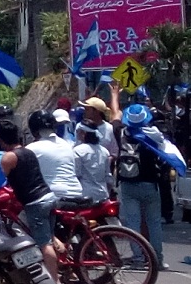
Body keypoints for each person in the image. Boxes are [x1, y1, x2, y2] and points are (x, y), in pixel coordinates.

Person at [0, 118, 62, 281]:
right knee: (48, 237)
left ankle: (56, 283)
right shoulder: (28, 151)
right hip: (48, 196)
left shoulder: (9, 157)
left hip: (35, 203)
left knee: (41, 242)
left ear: (1, 140)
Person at [116, 104, 173, 256]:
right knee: (154, 222)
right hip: (150, 183)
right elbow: (164, 149)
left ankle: (138, 257)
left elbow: (115, 118)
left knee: (133, 222)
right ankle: (157, 257)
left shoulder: (123, 133)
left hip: (128, 183)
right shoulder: (153, 133)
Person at [73, 123, 111, 204]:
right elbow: (108, 177)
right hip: (103, 194)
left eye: (78, 131)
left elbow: (76, 174)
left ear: (84, 133)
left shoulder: (77, 151)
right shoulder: (104, 151)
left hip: (85, 195)